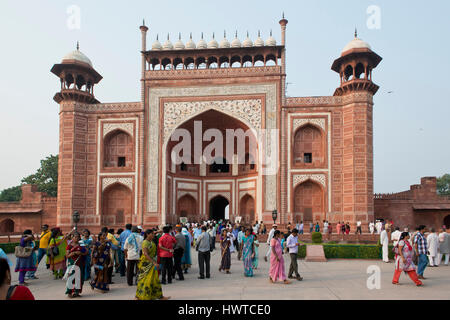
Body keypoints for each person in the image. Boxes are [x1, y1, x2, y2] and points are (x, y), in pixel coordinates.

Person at [135, 230, 169, 300]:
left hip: (152, 263)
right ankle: (139, 296)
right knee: (145, 280)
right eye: (152, 234)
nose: (153, 235)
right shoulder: (145, 243)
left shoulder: (151, 242)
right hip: (146, 264)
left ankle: (159, 296)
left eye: (153, 234)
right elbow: (146, 254)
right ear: (147, 234)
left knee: (154, 280)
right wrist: (154, 262)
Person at [64, 232, 87, 298]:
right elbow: (67, 255)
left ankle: (76, 292)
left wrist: (81, 253)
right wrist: (74, 253)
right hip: (72, 264)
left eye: (78, 237)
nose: (77, 238)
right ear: (72, 237)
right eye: (75, 237)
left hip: (80, 263)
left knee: (79, 277)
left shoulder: (81, 245)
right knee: (71, 277)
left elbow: (86, 252)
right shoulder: (69, 246)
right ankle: (69, 292)